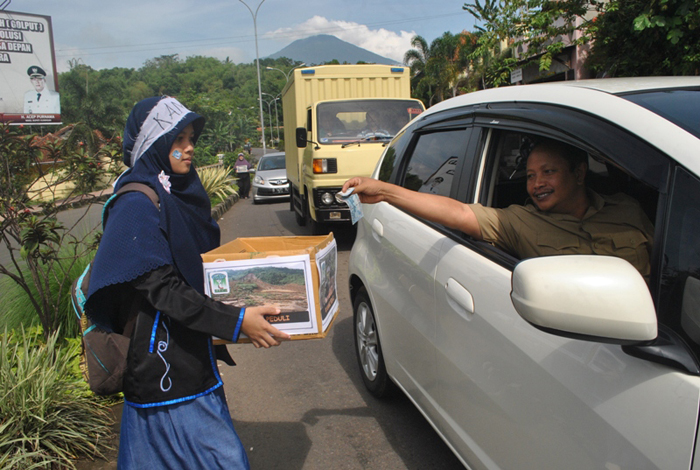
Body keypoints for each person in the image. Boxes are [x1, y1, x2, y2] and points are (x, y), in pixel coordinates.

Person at [84, 96, 290, 469]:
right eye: (178, 139)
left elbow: (198, 272)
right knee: (222, 459)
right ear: (155, 143)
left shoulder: (170, 195)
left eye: (191, 137)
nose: (189, 148)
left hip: (183, 358)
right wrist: (237, 321)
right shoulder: (136, 204)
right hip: (165, 367)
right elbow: (162, 288)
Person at [342, 138, 654, 277]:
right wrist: (384, 191)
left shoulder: (627, 210)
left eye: (549, 172)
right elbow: (461, 213)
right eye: (530, 176)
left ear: (580, 173)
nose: (537, 184)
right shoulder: (520, 221)